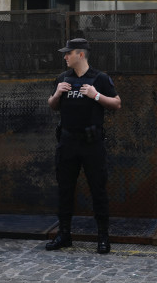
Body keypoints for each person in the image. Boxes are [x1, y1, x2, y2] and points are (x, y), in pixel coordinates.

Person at [46, 38, 121, 254]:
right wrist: (57, 93)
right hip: (67, 142)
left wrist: (96, 95)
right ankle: (64, 234)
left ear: (80, 54)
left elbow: (117, 103)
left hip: (91, 144)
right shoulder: (63, 78)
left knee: (98, 189)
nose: (65, 57)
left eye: (68, 53)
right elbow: (52, 106)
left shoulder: (99, 78)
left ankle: (103, 237)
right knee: (65, 189)